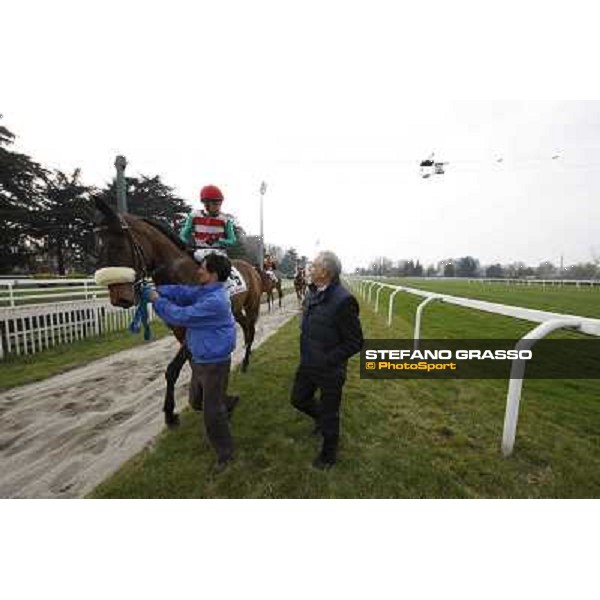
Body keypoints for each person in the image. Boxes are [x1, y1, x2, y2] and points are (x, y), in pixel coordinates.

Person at [146, 253, 238, 472]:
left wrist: (156, 300)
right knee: (197, 402)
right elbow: (183, 292)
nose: (198, 271)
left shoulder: (215, 301)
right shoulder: (206, 291)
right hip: (199, 357)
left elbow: (180, 316)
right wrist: (159, 290)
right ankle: (229, 402)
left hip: (214, 363)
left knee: (211, 412)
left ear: (213, 275)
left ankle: (226, 455)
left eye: (203, 269)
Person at [290, 250, 364, 469]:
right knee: (298, 399)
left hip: (329, 369)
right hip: (307, 362)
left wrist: (328, 359)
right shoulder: (313, 292)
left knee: (331, 415)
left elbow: (356, 342)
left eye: (314, 266)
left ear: (326, 272)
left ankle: (328, 456)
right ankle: (320, 419)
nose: (309, 270)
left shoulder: (344, 301)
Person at [179, 184, 238, 262]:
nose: (217, 207)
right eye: (214, 204)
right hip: (198, 252)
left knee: (229, 272)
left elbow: (232, 240)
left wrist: (218, 240)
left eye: (219, 204)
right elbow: (183, 235)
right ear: (205, 203)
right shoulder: (194, 216)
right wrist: (186, 245)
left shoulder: (226, 219)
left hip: (218, 254)